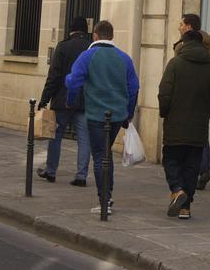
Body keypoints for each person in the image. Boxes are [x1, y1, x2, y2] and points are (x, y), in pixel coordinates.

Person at [65, 20, 139, 216]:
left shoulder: (87, 56)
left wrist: (71, 101)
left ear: (95, 36)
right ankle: (108, 194)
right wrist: (128, 113)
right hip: (116, 115)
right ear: (112, 36)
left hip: (96, 113)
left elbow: (73, 82)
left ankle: (104, 199)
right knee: (106, 154)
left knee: (99, 156)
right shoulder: (124, 58)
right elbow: (133, 88)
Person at [157, 28, 210, 220]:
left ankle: (177, 190)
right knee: (191, 166)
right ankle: (185, 207)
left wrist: (165, 112)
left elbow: (164, 93)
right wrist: (205, 114)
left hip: (175, 124)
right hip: (199, 126)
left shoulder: (175, 64)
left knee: (171, 160)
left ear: (184, 43)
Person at [36, 18, 92, 186]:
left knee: (56, 136)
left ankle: (51, 171)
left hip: (62, 101)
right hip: (83, 101)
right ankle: (81, 175)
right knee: (84, 138)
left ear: (71, 30)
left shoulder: (63, 46)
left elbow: (53, 76)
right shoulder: (90, 48)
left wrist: (44, 99)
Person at [173, 13, 210, 190]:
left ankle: (187, 169)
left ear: (189, 26)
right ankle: (203, 169)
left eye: (181, 24)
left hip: (185, 94)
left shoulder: (185, 45)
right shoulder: (207, 45)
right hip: (203, 95)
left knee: (184, 135)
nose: (179, 27)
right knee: (201, 134)